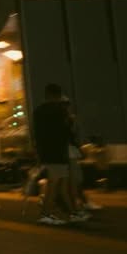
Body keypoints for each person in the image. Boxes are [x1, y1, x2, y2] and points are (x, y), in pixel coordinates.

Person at [32, 83, 72, 226]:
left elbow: (37, 134)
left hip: (46, 152)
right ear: (58, 95)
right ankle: (45, 214)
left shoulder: (38, 111)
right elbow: (66, 132)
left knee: (55, 184)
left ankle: (64, 212)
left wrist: (38, 153)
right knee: (54, 185)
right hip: (58, 152)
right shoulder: (60, 111)